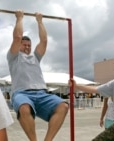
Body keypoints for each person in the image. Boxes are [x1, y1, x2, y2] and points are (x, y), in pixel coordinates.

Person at [7, 10, 69, 141]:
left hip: (42, 94)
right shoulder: (13, 57)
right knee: (24, 107)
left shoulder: (35, 57)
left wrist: (40, 21)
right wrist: (19, 18)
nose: (27, 47)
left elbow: (44, 41)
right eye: (24, 45)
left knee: (63, 106)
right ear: (18, 46)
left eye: (29, 45)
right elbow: (17, 37)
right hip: (21, 93)